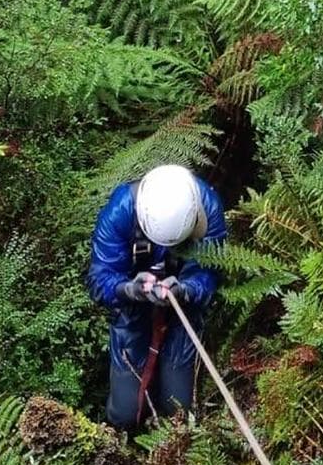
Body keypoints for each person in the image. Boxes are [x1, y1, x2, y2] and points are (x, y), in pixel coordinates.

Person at [87, 164, 227, 429]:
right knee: (126, 413)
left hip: (185, 305)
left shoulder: (207, 207)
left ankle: (167, 454)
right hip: (131, 304)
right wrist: (129, 289)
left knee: (178, 408)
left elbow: (209, 274)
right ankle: (124, 446)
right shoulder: (121, 211)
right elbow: (100, 277)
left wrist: (186, 290)